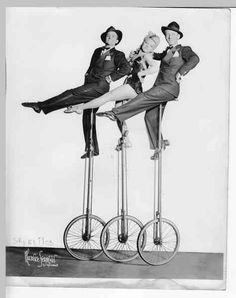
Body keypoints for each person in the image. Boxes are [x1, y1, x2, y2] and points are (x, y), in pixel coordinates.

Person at [21, 26, 131, 158]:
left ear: (117, 41)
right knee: (88, 115)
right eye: (108, 35)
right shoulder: (97, 51)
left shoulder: (118, 54)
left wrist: (111, 78)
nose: (110, 37)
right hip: (90, 83)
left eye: (113, 36)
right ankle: (92, 149)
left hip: (100, 86)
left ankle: (41, 106)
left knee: (72, 93)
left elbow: (126, 68)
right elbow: (91, 66)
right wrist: (87, 74)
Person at [96, 22, 200, 158]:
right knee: (150, 116)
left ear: (178, 36)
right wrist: (141, 52)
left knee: (145, 96)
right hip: (160, 86)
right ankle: (159, 145)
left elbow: (195, 59)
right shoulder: (167, 51)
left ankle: (115, 113)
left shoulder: (183, 50)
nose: (169, 37)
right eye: (167, 35)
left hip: (169, 87)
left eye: (172, 35)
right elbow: (155, 55)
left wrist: (182, 72)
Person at [63, 32, 160, 115]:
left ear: (153, 49)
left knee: (107, 97)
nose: (147, 46)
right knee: (117, 112)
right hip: (129, 85)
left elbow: (155, 68)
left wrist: (141, 73)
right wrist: (130, 59)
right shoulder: (136, 54)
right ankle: (124, 135)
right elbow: (124, 67)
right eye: (146, 42)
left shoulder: (147, 56)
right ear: (143, 42)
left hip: (133, 86)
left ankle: (80, 107)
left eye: (151, 46)